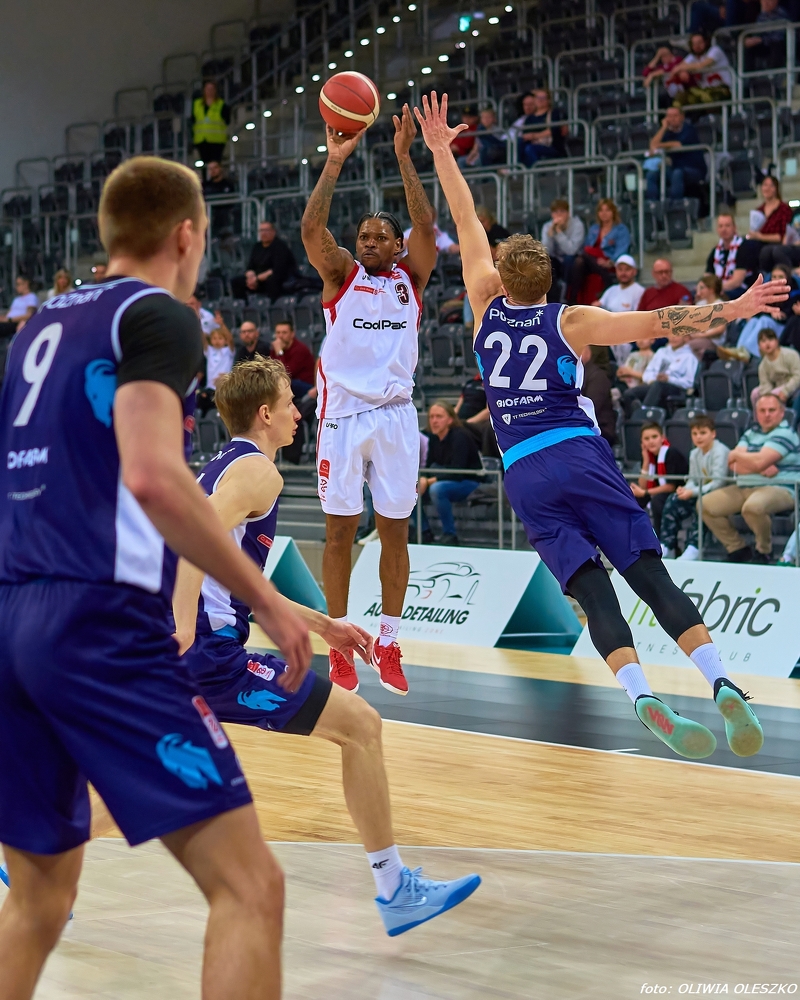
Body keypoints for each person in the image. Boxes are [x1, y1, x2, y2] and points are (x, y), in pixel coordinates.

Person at [0, 156, 315, 1000]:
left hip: (13, 615)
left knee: (38, 900)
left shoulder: (36, 327)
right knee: (250, 887)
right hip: (97, 620)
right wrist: (269, 602)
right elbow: (151, 475)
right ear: (187, 236)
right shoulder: (158, 315)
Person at [416, 90, 784, 760]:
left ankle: (640, 695)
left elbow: (465, 218)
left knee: (592, 591)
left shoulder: (483, 307)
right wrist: (734, 309)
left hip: (523, 471)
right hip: (577, 453)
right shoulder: (572, 320)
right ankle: (721, 681)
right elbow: (664, 323)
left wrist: (442, 150)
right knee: (650, 577)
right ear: (550, 280)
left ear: (501, 277)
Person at [172, 358, 480, 936]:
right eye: (291, 402)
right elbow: (195, 538)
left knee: (161, 773)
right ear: (265, 414)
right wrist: (185, 627)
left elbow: (239, 583)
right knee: (360, 725)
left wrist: (324, 625)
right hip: (209, 656)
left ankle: (35, 855)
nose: (300, 412)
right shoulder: (258, 472)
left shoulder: (222, 466)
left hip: (199, 650)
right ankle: (395, 889)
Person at [301, 105, 438, 697]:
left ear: (397, 246)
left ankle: (388, 639)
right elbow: (312, 232)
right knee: (338, 533)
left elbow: (427, 227)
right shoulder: (342, 276)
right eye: (364, 236)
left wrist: (405, 156)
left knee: (395, 533)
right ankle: (339, 644)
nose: (371, 242)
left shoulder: (413, 279)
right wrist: (334, 163)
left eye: (381, 236)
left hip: (397, 417)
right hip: (342, 418)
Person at [702, 393, 800, 562]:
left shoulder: (786, 433)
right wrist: (758, 466)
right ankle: (737, 548)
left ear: (782, 412)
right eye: (762, 410)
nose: (767, 414)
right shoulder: (750, 432)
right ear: (756, 413)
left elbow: (754, 460)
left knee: (753, 507)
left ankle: (764, 551)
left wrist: (741, 457)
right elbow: (732, 463)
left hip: (781, 487)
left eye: (771, 410)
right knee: (705, 504)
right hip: (745, 485)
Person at [659, 415, 730, 560]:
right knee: (674, 499)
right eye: (695, 434)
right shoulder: (694, 453)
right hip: (699, 492)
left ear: (713, 433)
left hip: (721, 494)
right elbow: (693, 479)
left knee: (702, 503)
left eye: (703, 433)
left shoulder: (721, 451)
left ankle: (694, 547)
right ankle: (668, 544)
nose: (698, 437)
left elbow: (718, 483)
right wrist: (685, 489)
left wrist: (692, 492)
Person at [418, 400, 484, 545]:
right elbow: (428, 466)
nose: (434, 421)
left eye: (439, 417)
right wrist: (423, 479)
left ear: (450, 419)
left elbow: (458, 471)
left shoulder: (461, 436)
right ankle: (424, 531)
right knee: (409, 491)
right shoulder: (433, 438)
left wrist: (428, 481)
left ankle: (450, 534)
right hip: (444, 479)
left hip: (470, 482)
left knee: (437, 489)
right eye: (431, 417)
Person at [270, 318, 317, 464]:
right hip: (289, 391)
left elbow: (285, 374)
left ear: (292, 333)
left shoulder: (300, 350)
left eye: (284, 333)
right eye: (278, 333)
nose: (280, 336)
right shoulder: (275, 351)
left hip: (305, 391)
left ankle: (292, 457)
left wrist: (279, 352)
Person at [630, 422, 689, 537]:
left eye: (654, 437)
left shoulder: (671, 453)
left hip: (677, 493)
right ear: (642, 442)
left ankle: (662, 538)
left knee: (657, 500)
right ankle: (635, 537)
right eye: (646, 439)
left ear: (662, 438)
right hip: (656, 492)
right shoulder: (648, 456)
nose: (651, 441)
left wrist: (645, 492)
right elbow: (643, 485)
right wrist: (646, 461)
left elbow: (671, 486)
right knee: (632, 498)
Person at [568, 199, 631, 305]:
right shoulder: (594, 228)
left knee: (581, 258)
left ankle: (571, 301)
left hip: (609, 261)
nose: (604, 213)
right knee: (580, 261)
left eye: (607, 210)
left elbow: (622, 249)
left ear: (613, 212)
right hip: (593, 260)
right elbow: (587, 246)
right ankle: (574, 299)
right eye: (601, 210)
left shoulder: (621, 229)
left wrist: (610, 262)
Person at [622, 332, 699, 414]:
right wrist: (652, 379)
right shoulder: (661, 352)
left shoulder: (690, 357)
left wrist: (669, 379)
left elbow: (689, 383)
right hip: (655, 384)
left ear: (686, 338)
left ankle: (645, 414)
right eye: (671, 335)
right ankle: (634, 418)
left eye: (677, 336)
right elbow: (648, 373)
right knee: (629, 393)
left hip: (676, 388)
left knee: (659, 385)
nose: (673, 338)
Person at [645, 106, 707, 202]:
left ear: (682, 117)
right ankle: (653, 204)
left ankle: (676, 205)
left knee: (677, 173)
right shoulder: (667, 132)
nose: (672, 119)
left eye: (675, 116)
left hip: (694, 169)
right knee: (651, 175)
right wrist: (663, 128)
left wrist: (660, 145)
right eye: (669, 116)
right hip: (674, 168)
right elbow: (653, 146)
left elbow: (677, 144)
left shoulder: (689, 129)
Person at [234, 221, 298, 302]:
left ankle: (273, 305)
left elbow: (277, 269)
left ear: (273, 232)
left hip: (278, 278)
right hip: (257, 279)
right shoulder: (257, 247)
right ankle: (243, 306)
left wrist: (256, 279)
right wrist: (250, 277)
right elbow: (250, 266)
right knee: (237, 282)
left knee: (273, 281)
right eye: (261, 230)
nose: (263, 233)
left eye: (266, 230)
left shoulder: (280, 247)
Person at [667, 32, 733, 107]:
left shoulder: (715, 50)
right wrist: (681, 71)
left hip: (722, 89)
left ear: (706, 42)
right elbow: (679, 67)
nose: (697, 46)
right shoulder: (693, 56)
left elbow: (701, 65)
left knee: (704, 97)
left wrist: (681, 68)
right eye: (694, 44)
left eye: (700, 43)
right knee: (680, 99)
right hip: (704, 90)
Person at [751, 327, 800, 417]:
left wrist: (785, 391)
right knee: (755, 393)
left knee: (775, 394)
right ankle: (758, 420)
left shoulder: (790, 355)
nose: (767, 343)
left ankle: (780, 419)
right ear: (759, 345)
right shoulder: (762, 365)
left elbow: (798, 376)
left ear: (777, 341)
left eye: (770, 339)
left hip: (794, 387)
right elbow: (765, 384)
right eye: (763, 341)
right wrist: (767, 397)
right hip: (776, 388)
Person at [749, 177, 794, 273]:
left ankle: (765, 275)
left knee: (766, 251)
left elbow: (782, 236)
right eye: (765, 185)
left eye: (771, 186)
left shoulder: (784, 209)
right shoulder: (759, 210)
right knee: (747, 245)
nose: (767, 188)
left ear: (776, 188)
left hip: (778, 243)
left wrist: (760, 236)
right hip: (760, 243)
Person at [540, 199, 585, 294]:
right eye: (555, 212)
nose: (559, 215)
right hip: (556, 258)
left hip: (572, 258)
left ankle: (567, 292)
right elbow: (546, 252)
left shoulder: (577, 225)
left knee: (570, 260)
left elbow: (571, 250)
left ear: (568, 213)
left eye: (562, 211)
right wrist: (550, 236)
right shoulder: (547, 226)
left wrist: (558, 232)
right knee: (545, 262)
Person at [706, 212, 753, 299]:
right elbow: (707, 277)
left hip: (741, 290)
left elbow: (737, 281)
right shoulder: (715, 251)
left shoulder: (743, 247)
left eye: (727, 225)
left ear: (734, 227)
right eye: (721, 226)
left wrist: (716, 289)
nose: (724, 229)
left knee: (720, 297)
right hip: (719, 289)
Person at [518, 88, 567, 167]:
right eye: (538, 98)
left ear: (548, 100)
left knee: (530, 149)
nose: (540, 100)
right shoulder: (529, 118)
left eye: (543, 98)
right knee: (519, 144)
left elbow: (554, 130)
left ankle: (536, 171)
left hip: (550, 146)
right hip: (532, 144)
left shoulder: (554, 113)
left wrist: (534, 136)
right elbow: (525, 133)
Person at [579, 346, 617, 446]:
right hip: (582, 425)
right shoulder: (579, 374)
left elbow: (592, 407)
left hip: (600, 428)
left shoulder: (598, 376)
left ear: (589, 352)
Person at [686, 273, 727, 359]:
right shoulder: (700, 304)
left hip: (713, 341)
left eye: (702, 288)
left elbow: (720, 329)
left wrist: (701, 335)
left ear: (711, 290)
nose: (699, 292)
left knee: (687, 347)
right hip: (698, 337)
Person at [191, 79, 231, 169]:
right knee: (204, 166)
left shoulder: (221, 105)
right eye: (207, 89)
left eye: (212, 89)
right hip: (201, 140)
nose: (210, 91)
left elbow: (227, 121)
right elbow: (193, 120)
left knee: (215, 165)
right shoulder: (197, 104)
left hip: (217, 141)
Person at [744, 0, 790, 70]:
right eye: (763, 1)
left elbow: (778, 36)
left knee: (776, 46)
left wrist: (761, 40)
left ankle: (774, 73)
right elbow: (757, 33)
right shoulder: (761, 16)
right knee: (748, 47)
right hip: (764, 43)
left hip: (778, 44)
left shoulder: (781, 14)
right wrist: (752, 40)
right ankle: (748, 74)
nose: (766, 3)